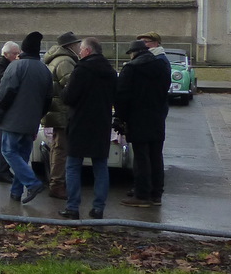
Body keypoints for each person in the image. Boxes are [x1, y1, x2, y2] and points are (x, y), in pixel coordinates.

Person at [0, 31, 53, 205]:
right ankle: (16, 192)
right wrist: (38, 116)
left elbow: (5, 93)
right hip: (31, 122)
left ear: (23, 50)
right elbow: (48, 99)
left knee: (9, 151)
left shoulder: (16, 67)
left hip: (12, 121)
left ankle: (32, 184)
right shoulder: (45, 70)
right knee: (23, 157)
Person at [60, 36, 117, 219]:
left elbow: (69, 97)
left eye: (81, 50)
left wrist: (65, 90)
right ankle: (98, 208)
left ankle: (72, 207)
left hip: (80, 123)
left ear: (87, 51)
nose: (79, 52)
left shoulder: (81, 70)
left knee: (73, 166)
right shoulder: (110, 71)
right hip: (101, 123)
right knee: (100, 166)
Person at [115, 38, 171, 209]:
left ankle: (142, 195)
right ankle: (156, 194)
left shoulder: (131, 68)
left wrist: (120, 118)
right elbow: (165, 91)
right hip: (157, 117)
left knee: (141, 158)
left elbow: (122, 96)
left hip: (137, 118)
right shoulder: (162, 66)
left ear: (133, 53)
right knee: (156, 156)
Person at [41, 31, 83, 199]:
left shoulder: (57, 59)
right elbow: (72, 86)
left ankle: (55, 181)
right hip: (62, 111)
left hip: (57, 110)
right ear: (71, 46)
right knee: (61, 149)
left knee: (57, 147)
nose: (79, 47)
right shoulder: (65, 61)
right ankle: (57, 184)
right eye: (77, 44)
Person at [0, 40, 21, 183]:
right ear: (6, 54)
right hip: (3, 108)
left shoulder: (8, 65)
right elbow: (5, 80)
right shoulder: (1, 66)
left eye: (18, 53)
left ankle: (5, 170)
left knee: (9, 142)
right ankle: (2, 171)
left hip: (5, 108)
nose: (17, 56)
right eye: (14, 54)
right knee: (5, 142)